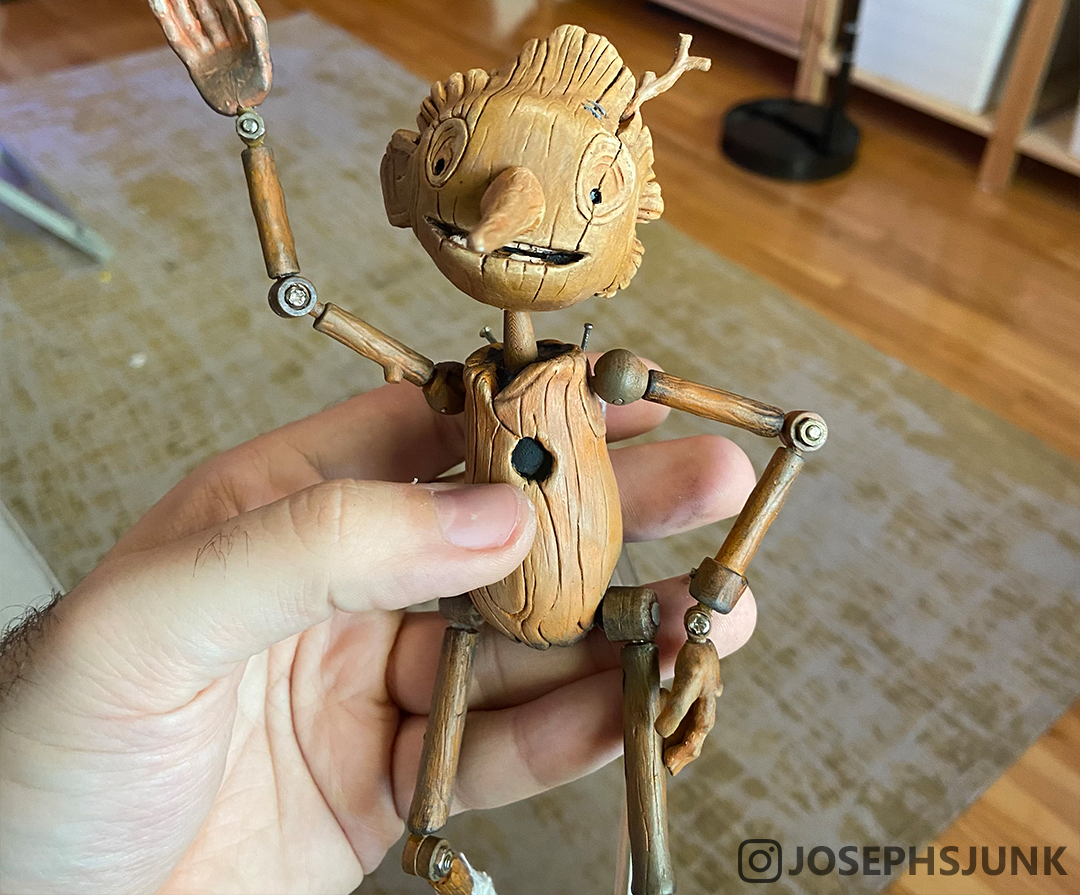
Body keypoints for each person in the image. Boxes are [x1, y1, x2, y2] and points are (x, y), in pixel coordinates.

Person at [0, 377, 757, 894]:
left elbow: (785, 436)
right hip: (474, 612)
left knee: (652, 665)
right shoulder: (469, 389)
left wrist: (703, 623)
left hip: (546, 602)